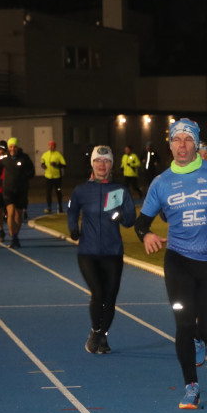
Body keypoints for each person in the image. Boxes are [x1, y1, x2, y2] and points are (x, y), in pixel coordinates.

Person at [135, 118, 207, 410]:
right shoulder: (161, 183)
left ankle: (202, 335)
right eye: (176, 140)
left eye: (187, 140)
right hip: (179, 261)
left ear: (196, 144)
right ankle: (191, 387)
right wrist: (146, 234)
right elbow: (141, 222)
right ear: (169, 144)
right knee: (183, 322)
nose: (181, 146)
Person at [67, 146, 137, 354]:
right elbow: (72, 211)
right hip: (87, 252)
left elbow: (130, 219)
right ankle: (96, 331)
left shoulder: (120, 190)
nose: (102, 165)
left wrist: (120, 216)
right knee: (98, 293)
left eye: (106, 162)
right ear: (93, 164)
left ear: (111, 165)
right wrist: (73, 229)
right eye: (98, 161)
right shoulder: (81, 190)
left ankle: (102, 336)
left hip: (112, 251)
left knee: (111, 297)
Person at [0, 137, 35, 248]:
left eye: (14, 146)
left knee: (18, 215)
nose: (12, 149)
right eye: (10, 147)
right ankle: (12, 236)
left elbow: (32, 171)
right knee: (11, 213)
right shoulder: (4, 158)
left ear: (18, 147)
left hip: (21, 190)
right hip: (8, 190)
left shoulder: (25, 157)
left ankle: (15, 236)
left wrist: (25, 177)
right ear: (8, 148)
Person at [41, 140, 67, 214]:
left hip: (57, 177)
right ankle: (49, 207)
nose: (51, 147)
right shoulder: (45, 154)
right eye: (50, 145)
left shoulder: (58, 155)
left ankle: (60, 206)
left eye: (52, 145)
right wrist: (43, 165)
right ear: (48, 146)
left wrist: (57, 165)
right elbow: (42, 162)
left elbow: (64, 165)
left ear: (55, 147)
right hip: (48, 177)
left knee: (58, 192)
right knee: (48, 192)